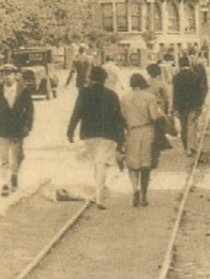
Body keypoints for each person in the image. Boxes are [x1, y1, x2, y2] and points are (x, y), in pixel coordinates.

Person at [66, 66, 126, 207]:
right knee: (102, 164)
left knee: (97, 163)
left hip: (89, 134)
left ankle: (98, 191)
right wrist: (121, 137)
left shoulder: (84, 93)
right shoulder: (112, 95)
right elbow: (118, 117)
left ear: (90, 78)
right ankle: (99, 193)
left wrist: (70, 131)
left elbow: (77, 112)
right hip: (108, 135)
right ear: (105, 79)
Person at [0, 63, 35, 197]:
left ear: (15, 75)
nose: (7, 77)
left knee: (17, 156)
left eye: (9, 74)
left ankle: (14, 176)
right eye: (4, 74)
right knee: (4, 158)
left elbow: (30, 110)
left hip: (18, 128)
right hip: (2, 128)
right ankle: (5, 184)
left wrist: (27, 126)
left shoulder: (23, 90)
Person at [119, 74, 164, 207]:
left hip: (131, 132)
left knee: (132, 165)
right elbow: (154, 117)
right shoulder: (150, 97)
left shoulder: (124, 98)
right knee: (146, 165)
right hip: (147, 131)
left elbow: (122, 118)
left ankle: (135, 190)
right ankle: (144, 196)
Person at [144, 62, 176, 168]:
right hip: (158, 108)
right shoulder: (161, 84)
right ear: (158, 73)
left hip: (146, 108)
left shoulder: (145, 83)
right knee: (159, 128)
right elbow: (167, 98)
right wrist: (167, 110)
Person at [172, 56, 204, 150]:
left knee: (184, 127)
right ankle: (192, 147)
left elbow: (175, 94)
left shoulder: (176, 78)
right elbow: (201, 92)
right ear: (188, 64)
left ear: (179, 65)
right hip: (194, 105)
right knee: (192, 126)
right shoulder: (196, 76)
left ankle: (186, 147)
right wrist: (200, 104)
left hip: (182, 106)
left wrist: (175, 108)